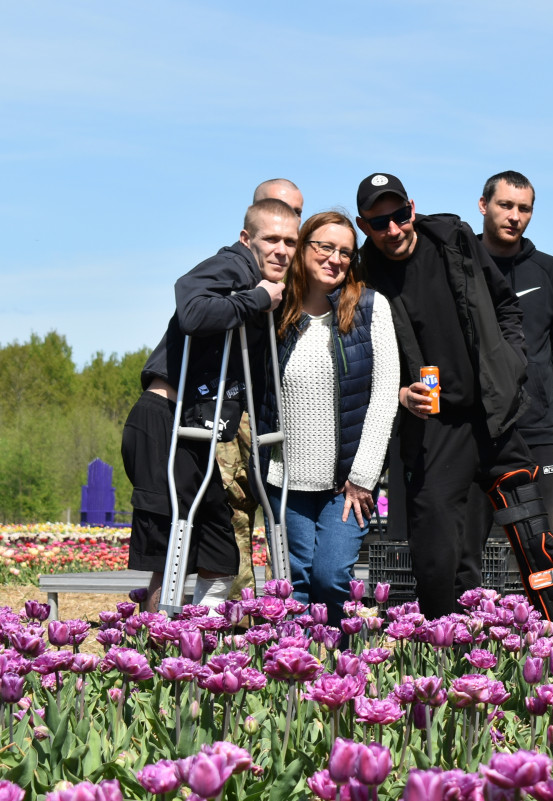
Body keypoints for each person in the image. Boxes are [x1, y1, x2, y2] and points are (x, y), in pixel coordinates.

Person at [356, 172, 553, 621]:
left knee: (535, 536)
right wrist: (398, 393)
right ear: (363, 226)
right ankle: (444, 641)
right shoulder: (362, 276)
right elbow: (362, 358)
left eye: (399, 215)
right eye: (378, 222)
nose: (392, 229)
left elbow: (505, 304)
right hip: (434, 427)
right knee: (438, 554)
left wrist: (511, 364)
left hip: (493, 414)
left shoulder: (453, 238)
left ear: (412, 208)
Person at [122, 198, 296, 612]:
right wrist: (256, 298)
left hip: (197, 431)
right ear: (246, 239)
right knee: (171, 546)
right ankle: (159, 640)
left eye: (290, 241)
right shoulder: (233, 266)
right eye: (271, 239)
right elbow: (192, 309)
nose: (281, 250)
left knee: (218, 549)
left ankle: (200, 633)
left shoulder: (272, 289)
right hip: (163, 421)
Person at [264, 210, 399, 629]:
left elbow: (384, 396)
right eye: (325, 247)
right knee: (295, 583)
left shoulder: (370, 308)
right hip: (286, 480)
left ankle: (339, 659)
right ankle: (297, 663)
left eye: (345, 251)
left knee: (331, 576)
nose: (335, 258)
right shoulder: (277, 310)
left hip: (347, 483)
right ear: (303, 247)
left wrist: (363, 476)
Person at [218, 179, 305, 600]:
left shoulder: (305, 269)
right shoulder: (232, 269)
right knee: (233, 508)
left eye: (296, 214)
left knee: (280, 510)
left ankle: (282, 605)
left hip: (282, 411)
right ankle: (241, 610)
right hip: (235, 407)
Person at [478, 170, 553, 523]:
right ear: (483, 205)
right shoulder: (457, 267)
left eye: (524, 208)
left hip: (536, 431)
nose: (514, 216)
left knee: (540, 541)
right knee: (468, 545)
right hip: (471, 431)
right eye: (505, 205)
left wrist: (531, 388)